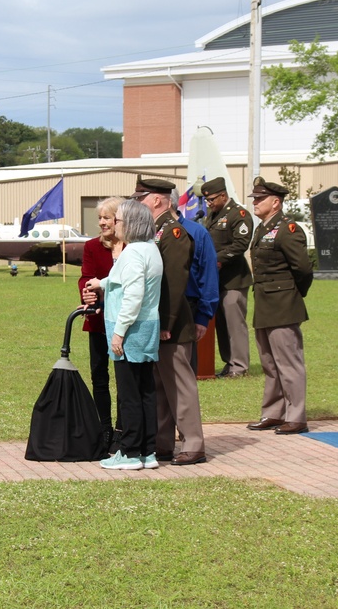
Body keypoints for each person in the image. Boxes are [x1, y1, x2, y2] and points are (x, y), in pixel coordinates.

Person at [82, 199, 163, 470]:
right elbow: (126, 279)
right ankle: (147, 451)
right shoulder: (150, 249)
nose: (113, 224)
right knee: (146, 392)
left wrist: (118, 334)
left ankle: (128, 452)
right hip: (148, 326)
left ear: (130, 224)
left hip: (131, 329)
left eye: (117, 220)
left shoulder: (131, 253)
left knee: (129, 394)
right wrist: (101, 283)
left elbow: (133, 295)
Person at [134, 176, 207, 465]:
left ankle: (193, 443)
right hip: (158, 321)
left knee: (179, 385)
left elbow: (175, 283)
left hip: (172, 323)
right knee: (160, 385)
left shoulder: (174, 233)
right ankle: (162, 442)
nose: (138, 203)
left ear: (157, 200)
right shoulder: (156, 231)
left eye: (142, 198)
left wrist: (166, 322)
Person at [246, 177, 314, 435]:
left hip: (283, 303)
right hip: (264, 303)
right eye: (254, 198)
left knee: (289, 362)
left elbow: (303, 269)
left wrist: (293, 295)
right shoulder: (262, 228)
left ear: (276, 202)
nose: (255, 202)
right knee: (269, 363)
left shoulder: (288, 229)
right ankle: (274, 413)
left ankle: (296, 416)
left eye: (260, 198)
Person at [78, 197, 125, 449]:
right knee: (99, 375)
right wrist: (86, 293)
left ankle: (121, 427)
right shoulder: (91, 246)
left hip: (123, 321)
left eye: (107, 217)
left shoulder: (131, 247)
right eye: (100, 218)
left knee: (123, 376)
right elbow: (86, 277)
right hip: (98, 320)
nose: (103, 222)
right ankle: (104, 427)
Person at [200, 177, 255, 378]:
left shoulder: (238, 214)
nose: (209, 203)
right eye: (207, 200)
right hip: (216, 280)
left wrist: (217, 259)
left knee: (234, 323)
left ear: (223, 195)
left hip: (233, 279)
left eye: (212, 199)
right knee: (222, 324)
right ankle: (229, 363)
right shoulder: (213, 215)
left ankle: (239, 366)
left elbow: (241, 244)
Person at [170, 190, 219, 371]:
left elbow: (209, 276)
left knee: (183, 370)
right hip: (156, 311)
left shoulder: (197, 232)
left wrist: (203, 317)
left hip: (187, 308)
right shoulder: (149, 232)